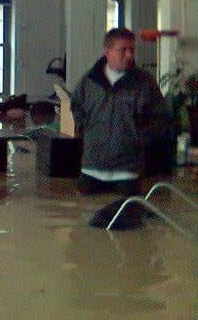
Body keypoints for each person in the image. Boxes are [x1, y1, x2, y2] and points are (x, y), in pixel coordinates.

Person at [70, 27, 169, 196]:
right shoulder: (88, 81)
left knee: (129, 218)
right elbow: (76, 106)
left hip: (128, 171)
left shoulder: (145, 83)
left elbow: (160, 118)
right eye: (123, 50)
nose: (129, 55)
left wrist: (139, 139)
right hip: (91, 168)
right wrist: (87, 131)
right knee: (85, 217)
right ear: (107, 52)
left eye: (132, 50)